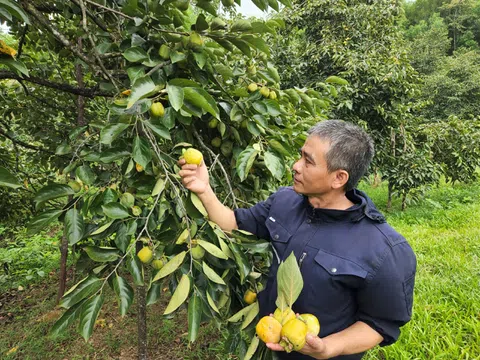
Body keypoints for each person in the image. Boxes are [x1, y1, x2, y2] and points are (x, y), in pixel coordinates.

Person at [178, 120, 416, 360]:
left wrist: (328, 348)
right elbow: (234, 224)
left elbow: (378, 324)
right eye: (300, 156)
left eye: (308, 161)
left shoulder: (383, 248)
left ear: (339, 177)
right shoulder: (284, 202)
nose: (295, 166)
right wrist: (204, 189)